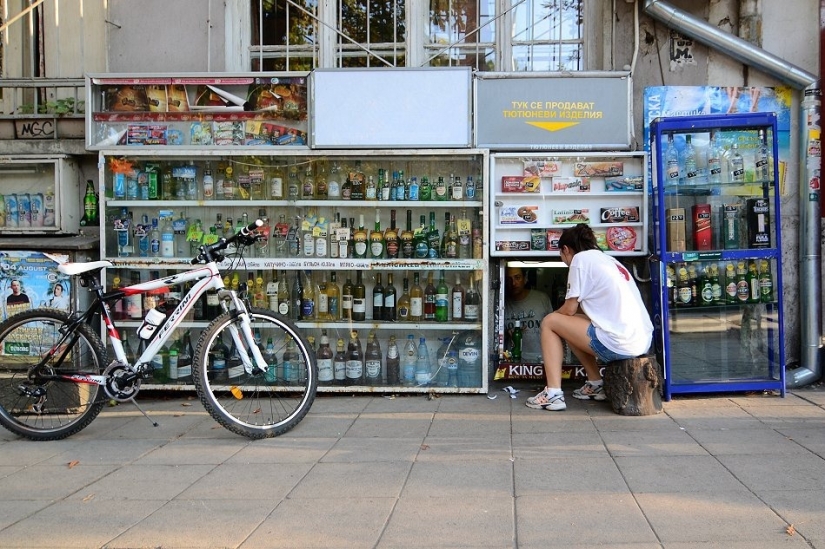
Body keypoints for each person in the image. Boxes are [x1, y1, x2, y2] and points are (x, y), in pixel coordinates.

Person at [527, 224, 653, 411]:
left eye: (562, 257)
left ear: (566, 250)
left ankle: (553, 394)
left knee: (550, 322)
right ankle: (595, 384)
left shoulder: (580, 260)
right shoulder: (608, 260)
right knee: (568, 325)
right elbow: (579, 314)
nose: (564, 261)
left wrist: (554, 315)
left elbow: (569, 309)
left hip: (621, 343)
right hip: (641, 341)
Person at [504, 266, 553, 362]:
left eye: (517, 277)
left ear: (525, 279)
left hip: (540, 359)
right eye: (509, 279)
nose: (513, 283)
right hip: (512, 361)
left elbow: (554, 329)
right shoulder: (501, 302)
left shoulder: (541, 299)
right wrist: (507, 333)